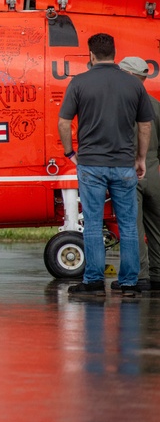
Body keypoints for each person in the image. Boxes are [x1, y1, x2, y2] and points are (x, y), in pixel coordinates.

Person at [59, 34, 152, 296]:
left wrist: (70, 154)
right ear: (114, 53)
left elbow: (64, 123)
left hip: (90, 164)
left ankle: (93, 281)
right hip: (124, 164)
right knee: (128, 224)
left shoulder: (79, 82)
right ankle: (129, 283)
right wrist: (141, 158)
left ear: (91, 54)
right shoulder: (133, 85)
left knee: (92, 222)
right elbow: (145, 125)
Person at [118, 56, 160, 291]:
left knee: (132, 226)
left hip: (127, 169)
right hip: (154, 169)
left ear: (129, 75)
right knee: (157, 226)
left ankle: (139, 275)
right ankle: (158, 274)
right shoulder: (155, 104)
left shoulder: (119, 105)